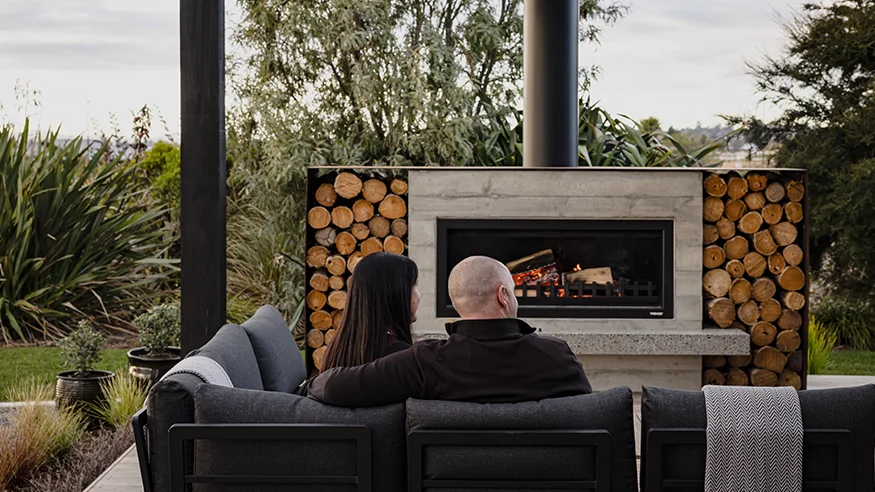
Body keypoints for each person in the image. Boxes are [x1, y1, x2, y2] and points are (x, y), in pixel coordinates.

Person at [307, 255, 591, 406]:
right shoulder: (558, 357)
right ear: (503, 296)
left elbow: (331, 385)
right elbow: (587, 417)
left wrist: (307, 385)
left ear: (456, 303)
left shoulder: (423, 364)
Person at [295, 252, 419, 395]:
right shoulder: (401, 360)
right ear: (395, 294)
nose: (418, 295)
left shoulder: (340, 349)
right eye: (413, 285)